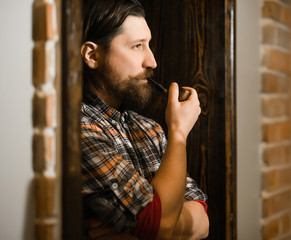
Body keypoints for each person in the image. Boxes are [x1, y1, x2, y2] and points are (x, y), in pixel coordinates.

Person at [80, 0, 209, 239]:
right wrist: (179, 134)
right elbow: (160, 225)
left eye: (148, 45)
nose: (152, 61)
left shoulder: (149, 129)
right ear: (92, 55)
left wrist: (149, 228)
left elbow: (202, 221)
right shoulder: (79, 131)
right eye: (137, 46)